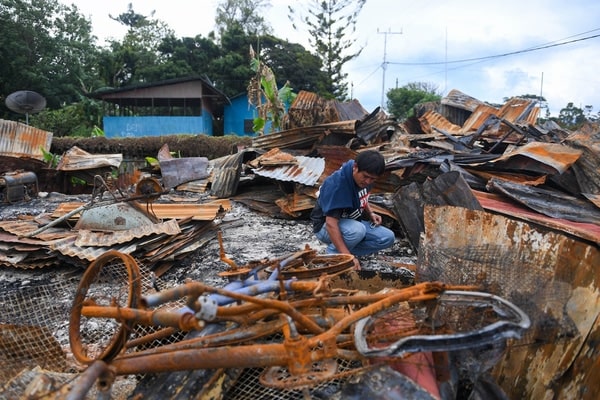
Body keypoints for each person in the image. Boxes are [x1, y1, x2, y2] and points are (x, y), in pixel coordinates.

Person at [310, 150, 395, 270]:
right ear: (355, 167)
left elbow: (361, 195)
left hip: (349, 222)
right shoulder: (338, 186)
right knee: (357, 230)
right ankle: (334, 254)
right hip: (324, 226)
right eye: (366, 177)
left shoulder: (364, 179)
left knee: (387, 237)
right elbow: (331, 224)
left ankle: (342, 250)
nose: (368, 182)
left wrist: (370, 213)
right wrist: (349, 257)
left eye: (372, 179)